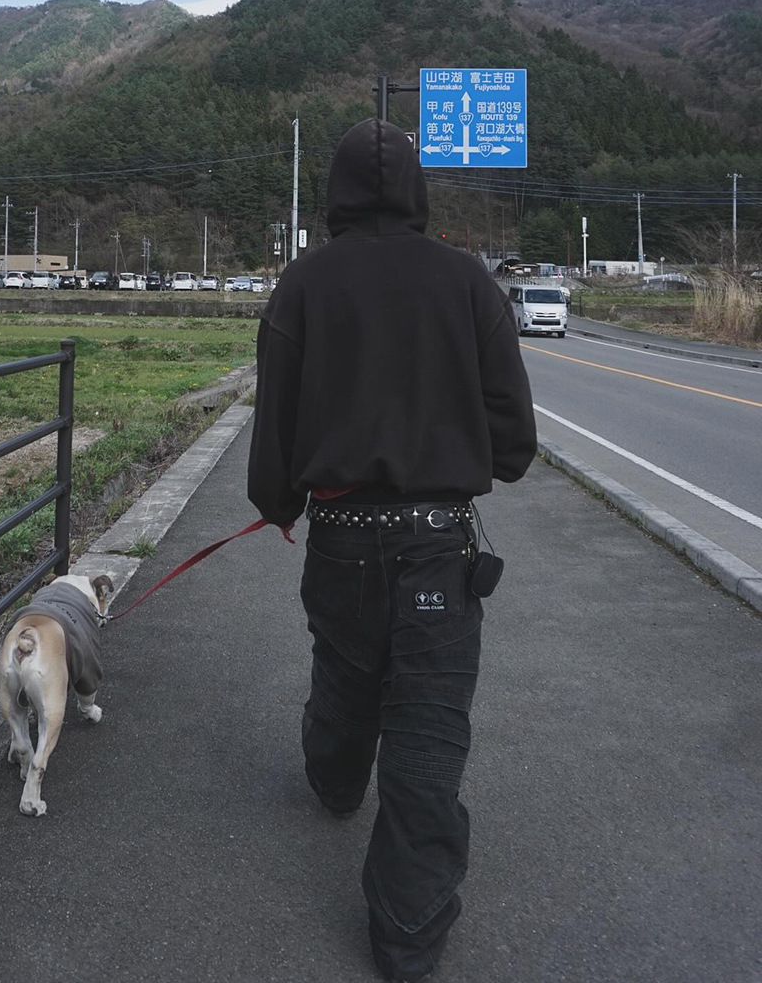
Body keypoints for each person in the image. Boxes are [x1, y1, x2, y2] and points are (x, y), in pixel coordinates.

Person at [247, 118, 537, 982]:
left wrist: (280, 504)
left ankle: (336, 785)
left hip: (340, 539)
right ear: (418, 190)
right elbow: (513, 439)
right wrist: (458, 455)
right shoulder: (467, 280)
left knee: (345, 674)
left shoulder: (305, 281)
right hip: (439, 545)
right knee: (429, 728)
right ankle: (408, 932)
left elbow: (275, 420)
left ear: (335, 193)